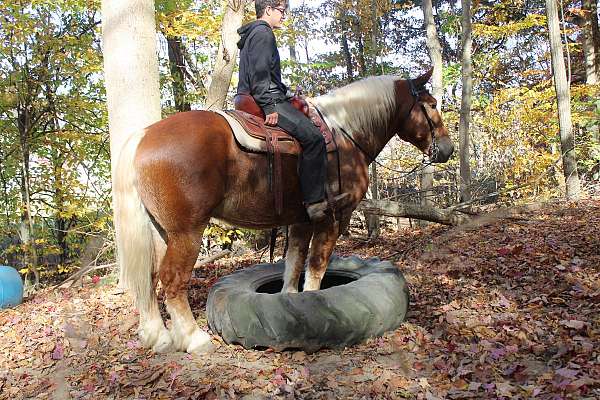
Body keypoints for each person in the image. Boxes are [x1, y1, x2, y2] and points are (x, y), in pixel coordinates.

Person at [236, 0, 331, 222]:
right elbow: (260, 76)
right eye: (281, 11)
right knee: (314, 138)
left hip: (262, 96)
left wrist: (290, 95)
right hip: (264, 100)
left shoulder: (253, 34)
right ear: (268, 10)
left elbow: (267, 77)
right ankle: (314, 202)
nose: (284, 15)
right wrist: (269, 106)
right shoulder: (263, 33)